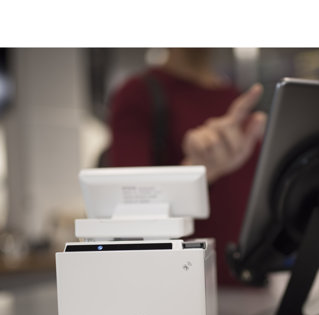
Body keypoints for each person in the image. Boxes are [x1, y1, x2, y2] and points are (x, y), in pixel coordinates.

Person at [106, 48, 267, 285]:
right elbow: (128, 206)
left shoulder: (234, 98)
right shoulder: (140, 94)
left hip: (249, 283)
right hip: (180, 287)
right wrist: (194, 171)